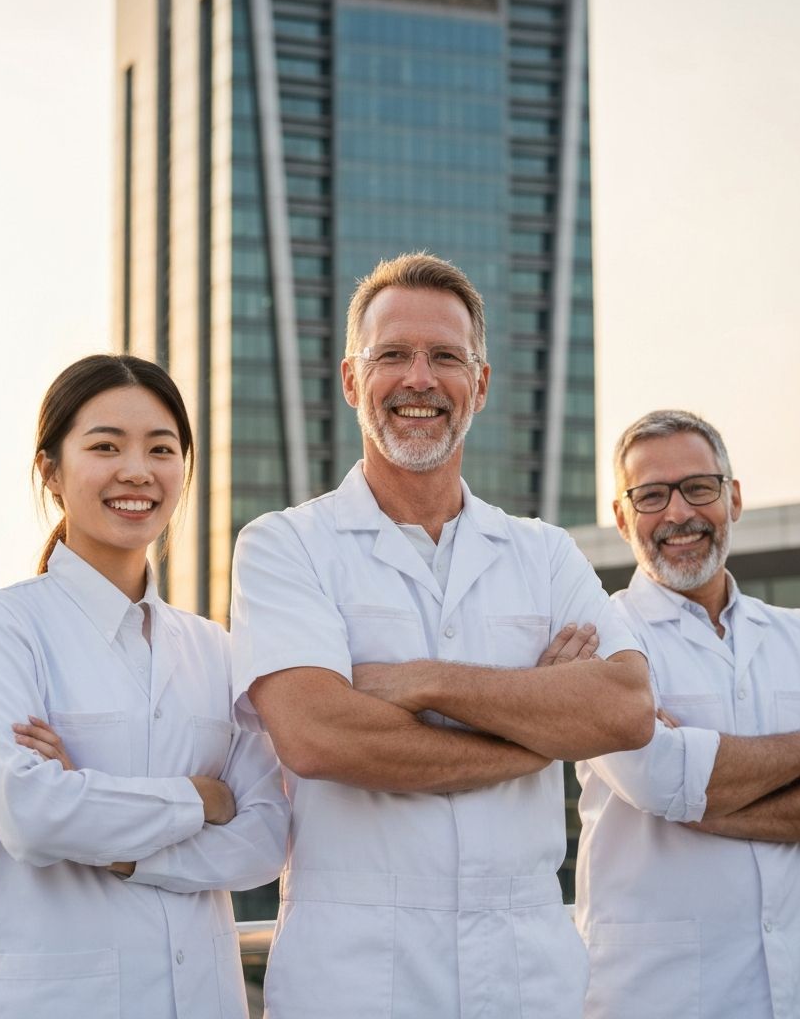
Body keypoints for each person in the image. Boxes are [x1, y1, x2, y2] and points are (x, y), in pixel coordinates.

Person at [230, 252, 654, 1019]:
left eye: (445, 358)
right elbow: (320, 737)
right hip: (355, 978)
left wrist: (425, 681)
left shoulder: (544, 551)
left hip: (528, 975)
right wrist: (540, 725)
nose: (419, 379)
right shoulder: (284, 545)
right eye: (393, 355)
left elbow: (624, 709)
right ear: (354, 381)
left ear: (480, 385)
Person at [0, 354, 288, 1019]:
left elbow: (265, 840)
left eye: (161, 449)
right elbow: (32, 815)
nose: (137, 470)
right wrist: (200, 797)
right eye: (105, 446)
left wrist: (127, 854)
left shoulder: (215, 650)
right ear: (50, 470)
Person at [575, 409, 800, 1019]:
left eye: (699, 487)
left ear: (733, 497)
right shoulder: (599, 640)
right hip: (656, 999)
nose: (679, 514)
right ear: (620, 517)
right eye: (651, 495)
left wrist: (704, 794)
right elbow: (660, 781)